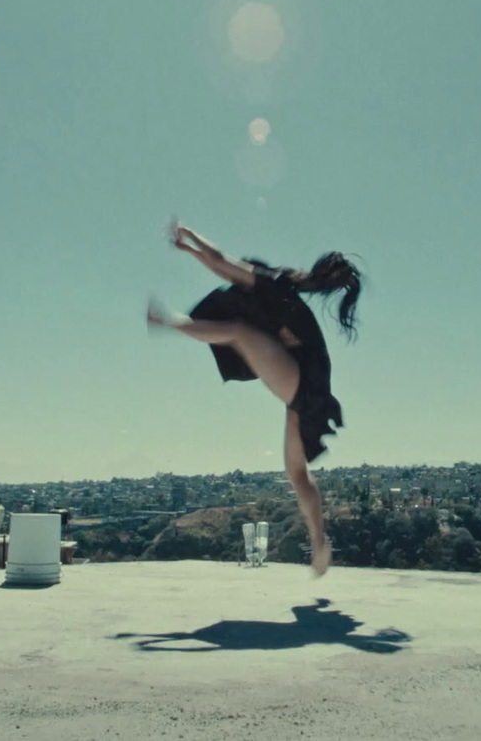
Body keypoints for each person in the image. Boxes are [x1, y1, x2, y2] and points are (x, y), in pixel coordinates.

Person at [147, 219, 363, 577]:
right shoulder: (279, 290)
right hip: (306, 384)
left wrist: (189, 237)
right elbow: (220, 264)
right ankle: (321, 545)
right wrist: (188, 247)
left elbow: (219, 261)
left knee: (237, 332)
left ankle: (168, 322)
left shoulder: (267, 283)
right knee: (297, 474)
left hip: (305, 379)